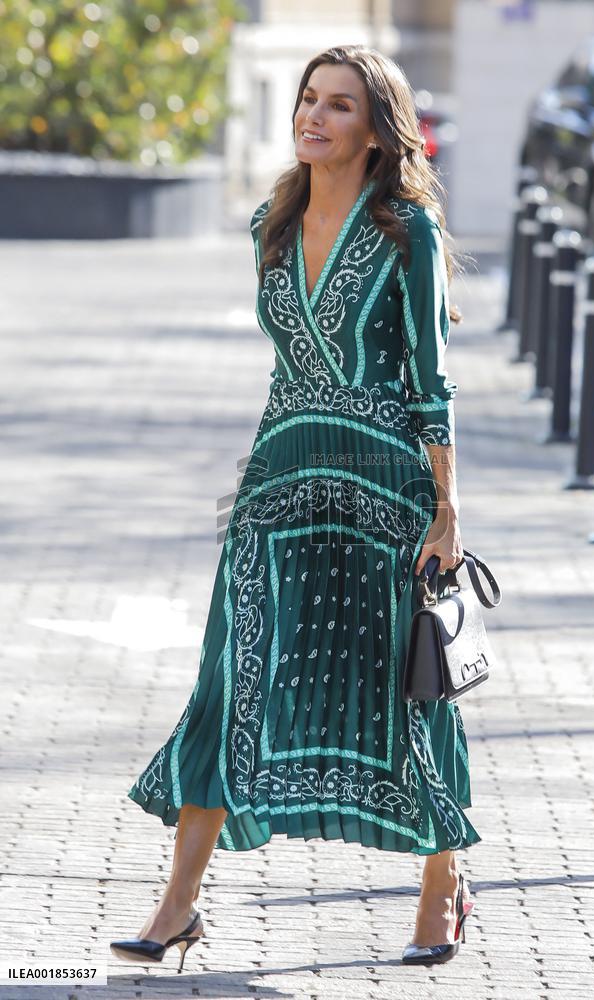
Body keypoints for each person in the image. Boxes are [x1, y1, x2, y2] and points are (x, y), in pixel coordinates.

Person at [110, 43, 480, 973]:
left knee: (408, 690)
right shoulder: (270, 223)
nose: (313, 116)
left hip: (386, 489)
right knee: (232, 676)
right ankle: (178, 906)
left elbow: (433, 384)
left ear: (376, 129)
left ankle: (442, 885)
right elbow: (287, 362)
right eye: (308, 100)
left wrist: (447, 512)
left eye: (339, 106)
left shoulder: (409, 232)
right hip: (279, 479)